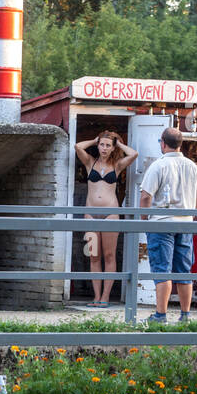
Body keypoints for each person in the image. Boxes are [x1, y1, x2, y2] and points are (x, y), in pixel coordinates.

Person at [139, 127, 197, 323]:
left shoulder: (158, 166)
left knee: (162, 270)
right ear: (180, 144)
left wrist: (144, 220)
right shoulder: (192, 166)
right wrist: (191, 216)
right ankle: (185, 315)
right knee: (183, 271)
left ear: (163, 143)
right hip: (185, 224)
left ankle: (161, 315)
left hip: (161, 223)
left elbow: (145, 196)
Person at [74, 130, 138, 306]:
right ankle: (96, 297)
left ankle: (105, 297)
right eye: (102, 144)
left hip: (111, 213)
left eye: (107, 145)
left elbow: (134, 154)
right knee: (94, 256)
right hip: (90, 214)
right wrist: (94, 140)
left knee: (109, 255)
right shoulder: (89, 162)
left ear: (112, 148)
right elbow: (78, 146)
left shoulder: (117, 165)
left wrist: (118, 143)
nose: (104, 148)